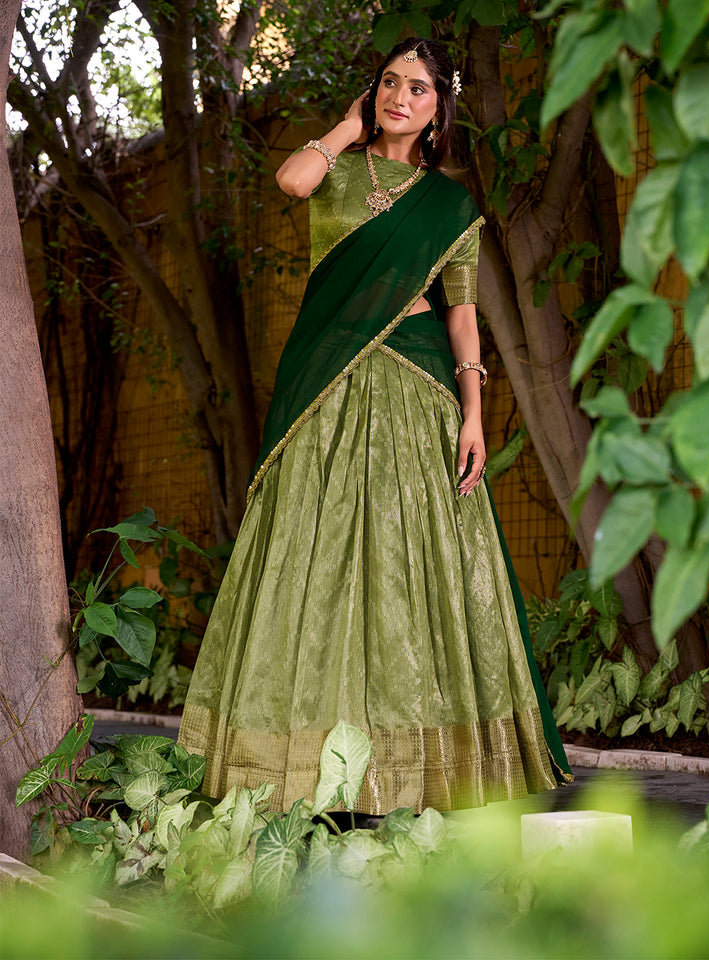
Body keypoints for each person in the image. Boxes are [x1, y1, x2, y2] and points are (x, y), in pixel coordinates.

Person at [177, 37, 573, 816]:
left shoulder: (450, 207)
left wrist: (474, 414)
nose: (400, 97)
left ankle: (426, 772)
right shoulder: (335, 169)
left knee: (411, 564)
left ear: (439, 110)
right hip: (327, 386)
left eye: (418, 88)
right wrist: (346, 127)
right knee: (314, 561)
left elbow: (463, 315)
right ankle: (297, 767)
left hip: (417, 384)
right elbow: (292, 180)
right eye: (390, 83)